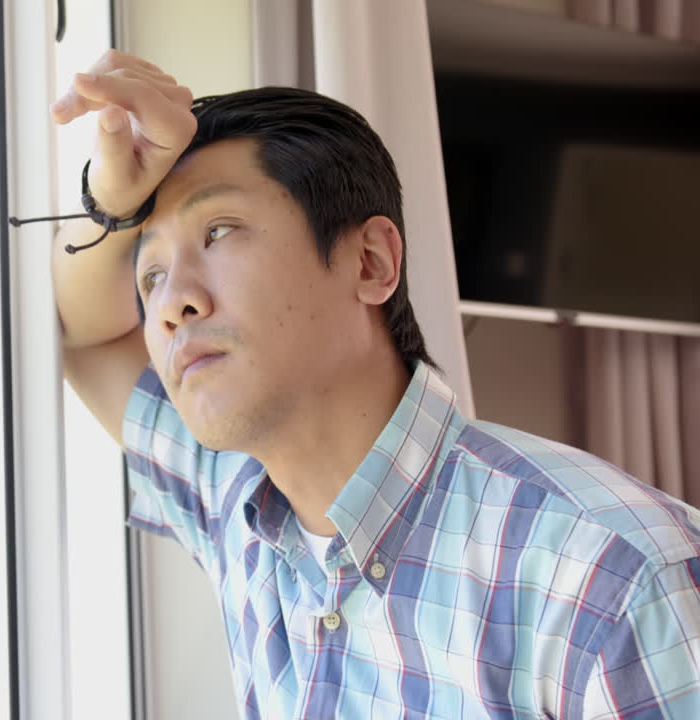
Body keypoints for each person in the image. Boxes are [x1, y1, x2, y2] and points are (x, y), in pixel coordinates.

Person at [51, 49, 700, 719]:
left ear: (371, 261)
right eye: (151, 275)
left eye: (219, 231)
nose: (170, 304)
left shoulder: (611, 579)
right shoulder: (240, 506)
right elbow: (81, 332)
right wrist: (108, 201)